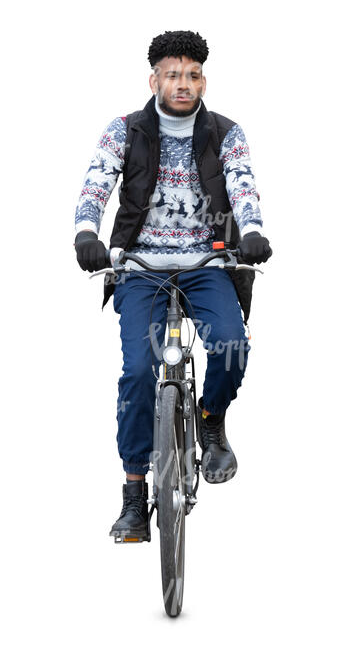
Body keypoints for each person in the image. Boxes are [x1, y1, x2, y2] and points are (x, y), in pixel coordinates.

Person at [74, 30, 272, 541]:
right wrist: (85, 233)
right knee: (139, 372)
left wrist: (250, 232)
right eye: (173, 75)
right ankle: (134, 495)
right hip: (140, 269)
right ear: (154, 79)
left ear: (203, 79)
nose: (184, 84)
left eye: (193, 75)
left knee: (231, 348)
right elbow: (97, 182)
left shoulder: (225, 132)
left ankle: (210, 419)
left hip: (208, 265)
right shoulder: (126, 130)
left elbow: (242, 184)